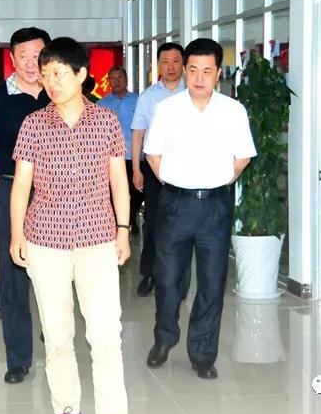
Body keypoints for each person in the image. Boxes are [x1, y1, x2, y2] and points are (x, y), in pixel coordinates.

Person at [11, 37, 130, 414]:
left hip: (98, 239)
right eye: (45, 75)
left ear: (81, 75)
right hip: (46, 240)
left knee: (106, 334)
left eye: (59, 73)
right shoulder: (33, 124)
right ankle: (67, 409)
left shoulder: (106, 121)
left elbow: (118, 180)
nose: (51, 82)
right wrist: (16, 234)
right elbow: (21, 186)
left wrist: (124, 230)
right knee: (58, 333)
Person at [144, 38, 256, 380]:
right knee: (168, 280)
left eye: (207, 71)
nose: (199, 77)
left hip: (215, 207)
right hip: (175, 204)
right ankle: (164, 339)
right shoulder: (167, 109)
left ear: (218, 73)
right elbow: (153, 155)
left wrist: (216, 182)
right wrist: (175, 183)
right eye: (192, 70)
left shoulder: (233, 111)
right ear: (185, 71)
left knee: (211, 282)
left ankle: (203, 354)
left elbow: (242, 158)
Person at [0, 26, 51, 384]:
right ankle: (18, 358)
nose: (31, 63)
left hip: (58, 193)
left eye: (37, 55)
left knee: (57, 268)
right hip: (11, 189)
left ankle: (55, 336)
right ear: (12, 58)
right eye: (23, 56)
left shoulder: (61, 92)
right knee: (14, 272)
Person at [130, 42, 186, 297]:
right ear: (158, 65)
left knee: (183, 225)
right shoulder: (148, 96)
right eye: (165, 62)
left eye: (176, 61)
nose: (171, 67)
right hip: (154, 167)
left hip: (187, 168)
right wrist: (136, 169)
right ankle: (150, 274)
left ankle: (179, 280)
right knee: (153, 222)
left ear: (183, 63)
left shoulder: (193, 92)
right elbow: (137, 134)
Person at [97, 65, 142, 234]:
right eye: (113, 79)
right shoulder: (101, 104)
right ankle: (121, 222)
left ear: (126, 80)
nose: (116, 82)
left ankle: (130, 218)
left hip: (135, 155)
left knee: (137, 191)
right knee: (113, 190)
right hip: (111, 157)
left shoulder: (138, 100)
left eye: (119, 78)